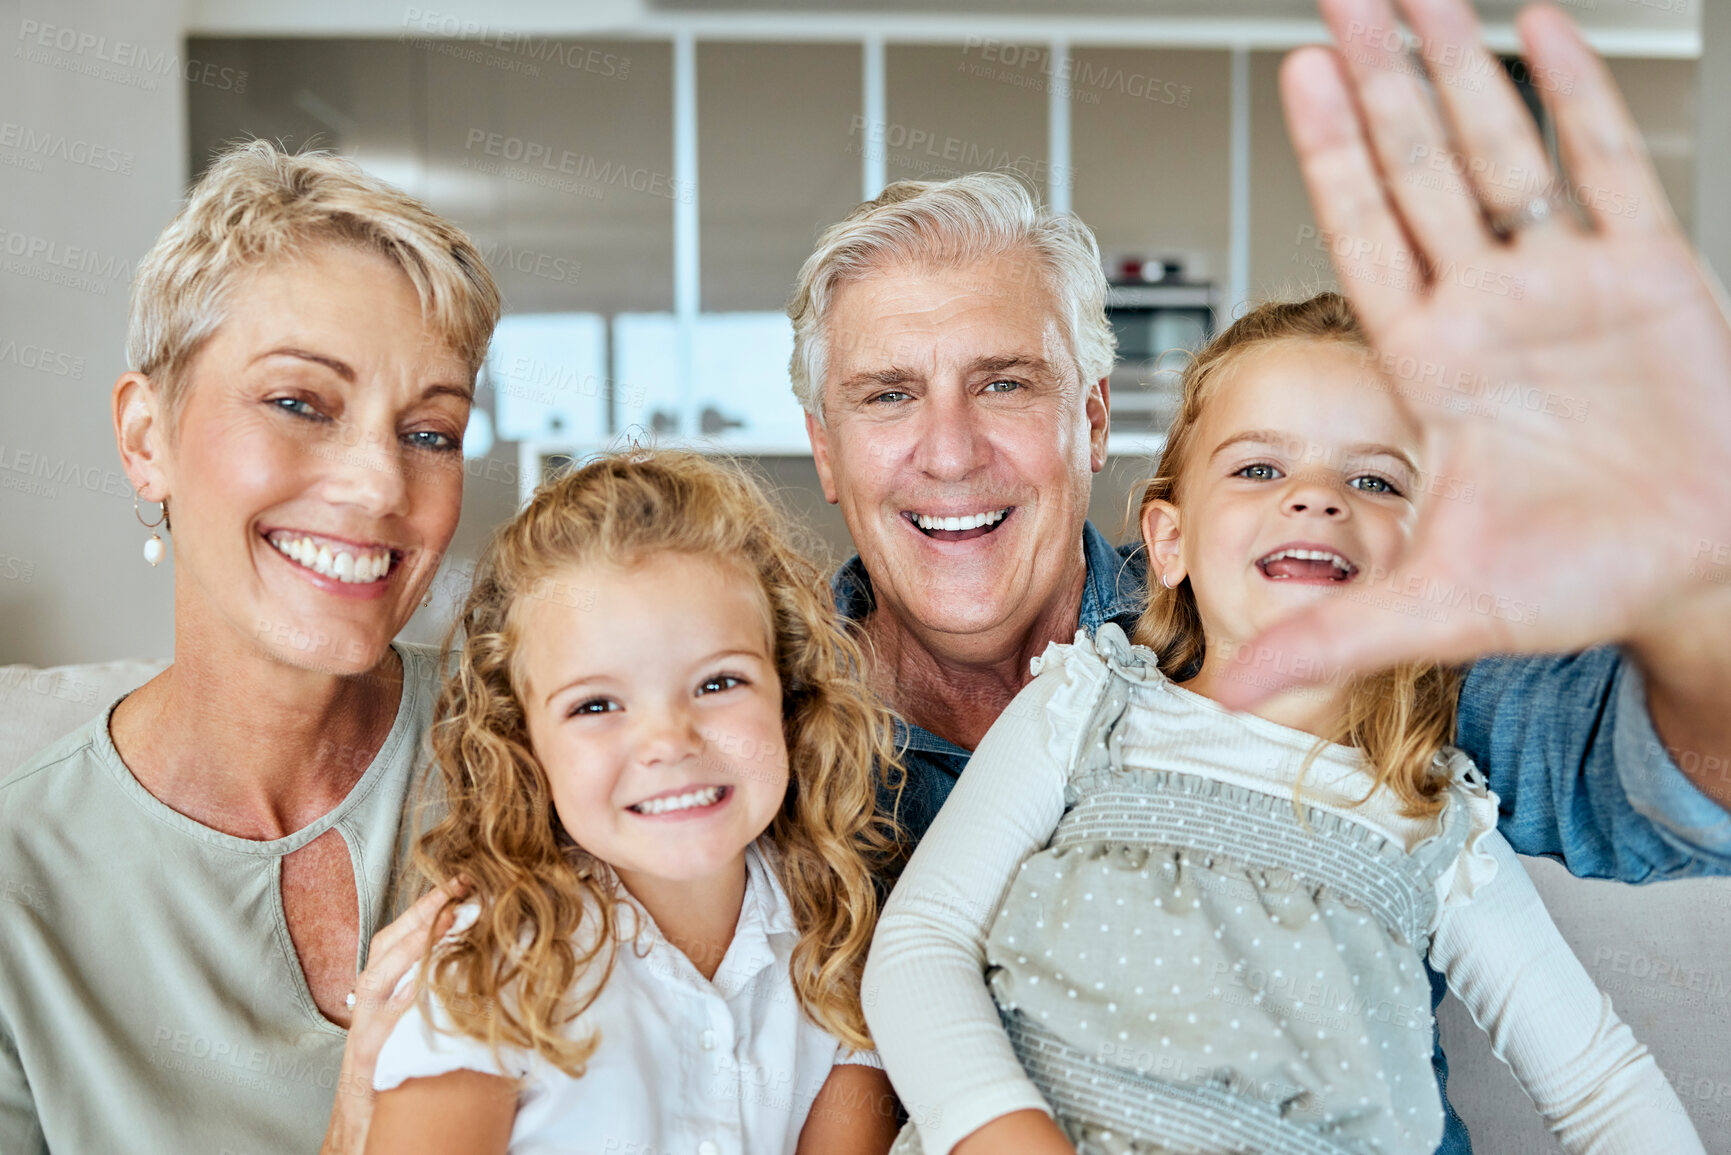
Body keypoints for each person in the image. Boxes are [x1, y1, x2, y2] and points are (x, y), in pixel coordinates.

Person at [789, 1, 1731, 1148]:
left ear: (1093, 421)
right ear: (825, 449)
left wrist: (1700, 595)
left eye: (1004, 383)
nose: (949, 450)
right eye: (888, 394)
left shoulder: (1377, 651)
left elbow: (1663, 791)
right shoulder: (737, 723)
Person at [863, 293, 1704, 1155]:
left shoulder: (1432, 822)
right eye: (1259, 469)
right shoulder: (1084, 707)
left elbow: (1602, 1086)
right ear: (1169, 540)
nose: (1315, 498)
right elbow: (922, 945)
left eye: (1372, 479)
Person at [0, 141, 500, 1155]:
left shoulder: (552, 745)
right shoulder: (21, 890)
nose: (377, 486)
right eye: (298, 404)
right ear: (147, 437)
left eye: (430, 432)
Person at [363, 451, 902, 1155]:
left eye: (717, 683)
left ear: (791, 691)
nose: (667, 740)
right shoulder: (489, 968)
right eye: (595, 704)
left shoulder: (837, 950)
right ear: (523, 742)